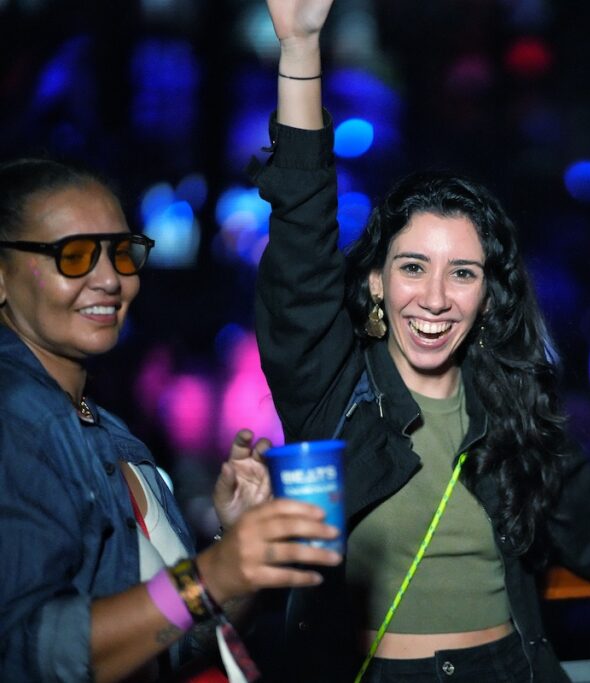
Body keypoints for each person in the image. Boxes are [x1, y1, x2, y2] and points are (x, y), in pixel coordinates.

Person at [251, 1, 590, 680]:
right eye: (413, 267)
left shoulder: (515, 412)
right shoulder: (333, 392)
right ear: (374, 284)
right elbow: (302, 232)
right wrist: (300, 48)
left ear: (487, 296)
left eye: (464, 273)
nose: (435, 296)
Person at [0, 158, 343, 682]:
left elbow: (176, 644)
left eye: (121, 253)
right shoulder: (17, 420)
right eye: (73, 256)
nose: (111, 279)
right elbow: (30, 654)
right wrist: (211, 575)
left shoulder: (107, 430)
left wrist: (237, 551)